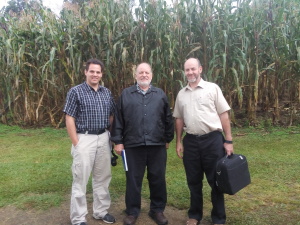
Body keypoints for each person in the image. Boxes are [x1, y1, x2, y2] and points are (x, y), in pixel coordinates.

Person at [111, 62, 174, 225]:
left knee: (157, 178)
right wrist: (118, 141)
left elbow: (167, 118)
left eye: (147, 72)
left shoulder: (160, 94)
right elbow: (118, 119)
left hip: (157, 145)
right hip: (133, 145)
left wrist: (167, 138)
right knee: (133, 179)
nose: (144, 75)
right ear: (136, 76)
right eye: (141, 73)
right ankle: (132, 212)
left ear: (151, 75)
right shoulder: (126, 94)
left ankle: (157, 210)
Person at [173, 58, 234, 225]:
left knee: (216, 181)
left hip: (212, 141)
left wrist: (228, 140)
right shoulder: (181, 94)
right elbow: (178, 119)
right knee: (193, 181)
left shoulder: (212, 89)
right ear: (184, 72)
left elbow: (224, 115)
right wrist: (179, 142)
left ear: (200, 69)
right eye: (187, 70)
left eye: (193, 69)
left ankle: (218, 218)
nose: (190, 72)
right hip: (191, 142)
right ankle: (194, 215)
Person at [63, 58, 116, 225]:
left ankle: (100, 211)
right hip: (84, 138)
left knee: (103, 177)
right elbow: (69, 117)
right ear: (85, 72)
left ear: (101, 74)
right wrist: (76, 143)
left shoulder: (106, 93)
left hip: (103, 137)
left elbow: (112, 116)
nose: (95, 74)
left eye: (98, 72)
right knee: (81, 179)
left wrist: (112, 137)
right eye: (91, 71)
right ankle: (78, 218)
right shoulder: (76, 91)